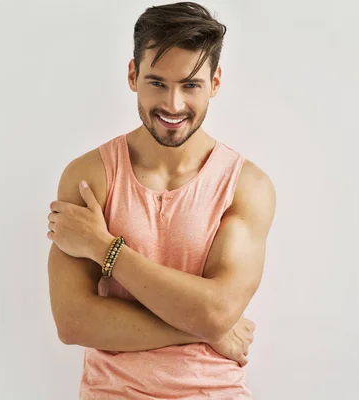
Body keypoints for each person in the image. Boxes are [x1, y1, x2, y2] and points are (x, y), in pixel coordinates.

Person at [46, 2, 276, 398]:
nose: (173, 105)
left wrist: (104, 248)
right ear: (133, 75)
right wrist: (206, 329)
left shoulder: (244, 186)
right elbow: (73, 322)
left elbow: (218, 311)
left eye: (190, 85)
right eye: (157, 83)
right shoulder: (90, 177)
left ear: (215, 83)